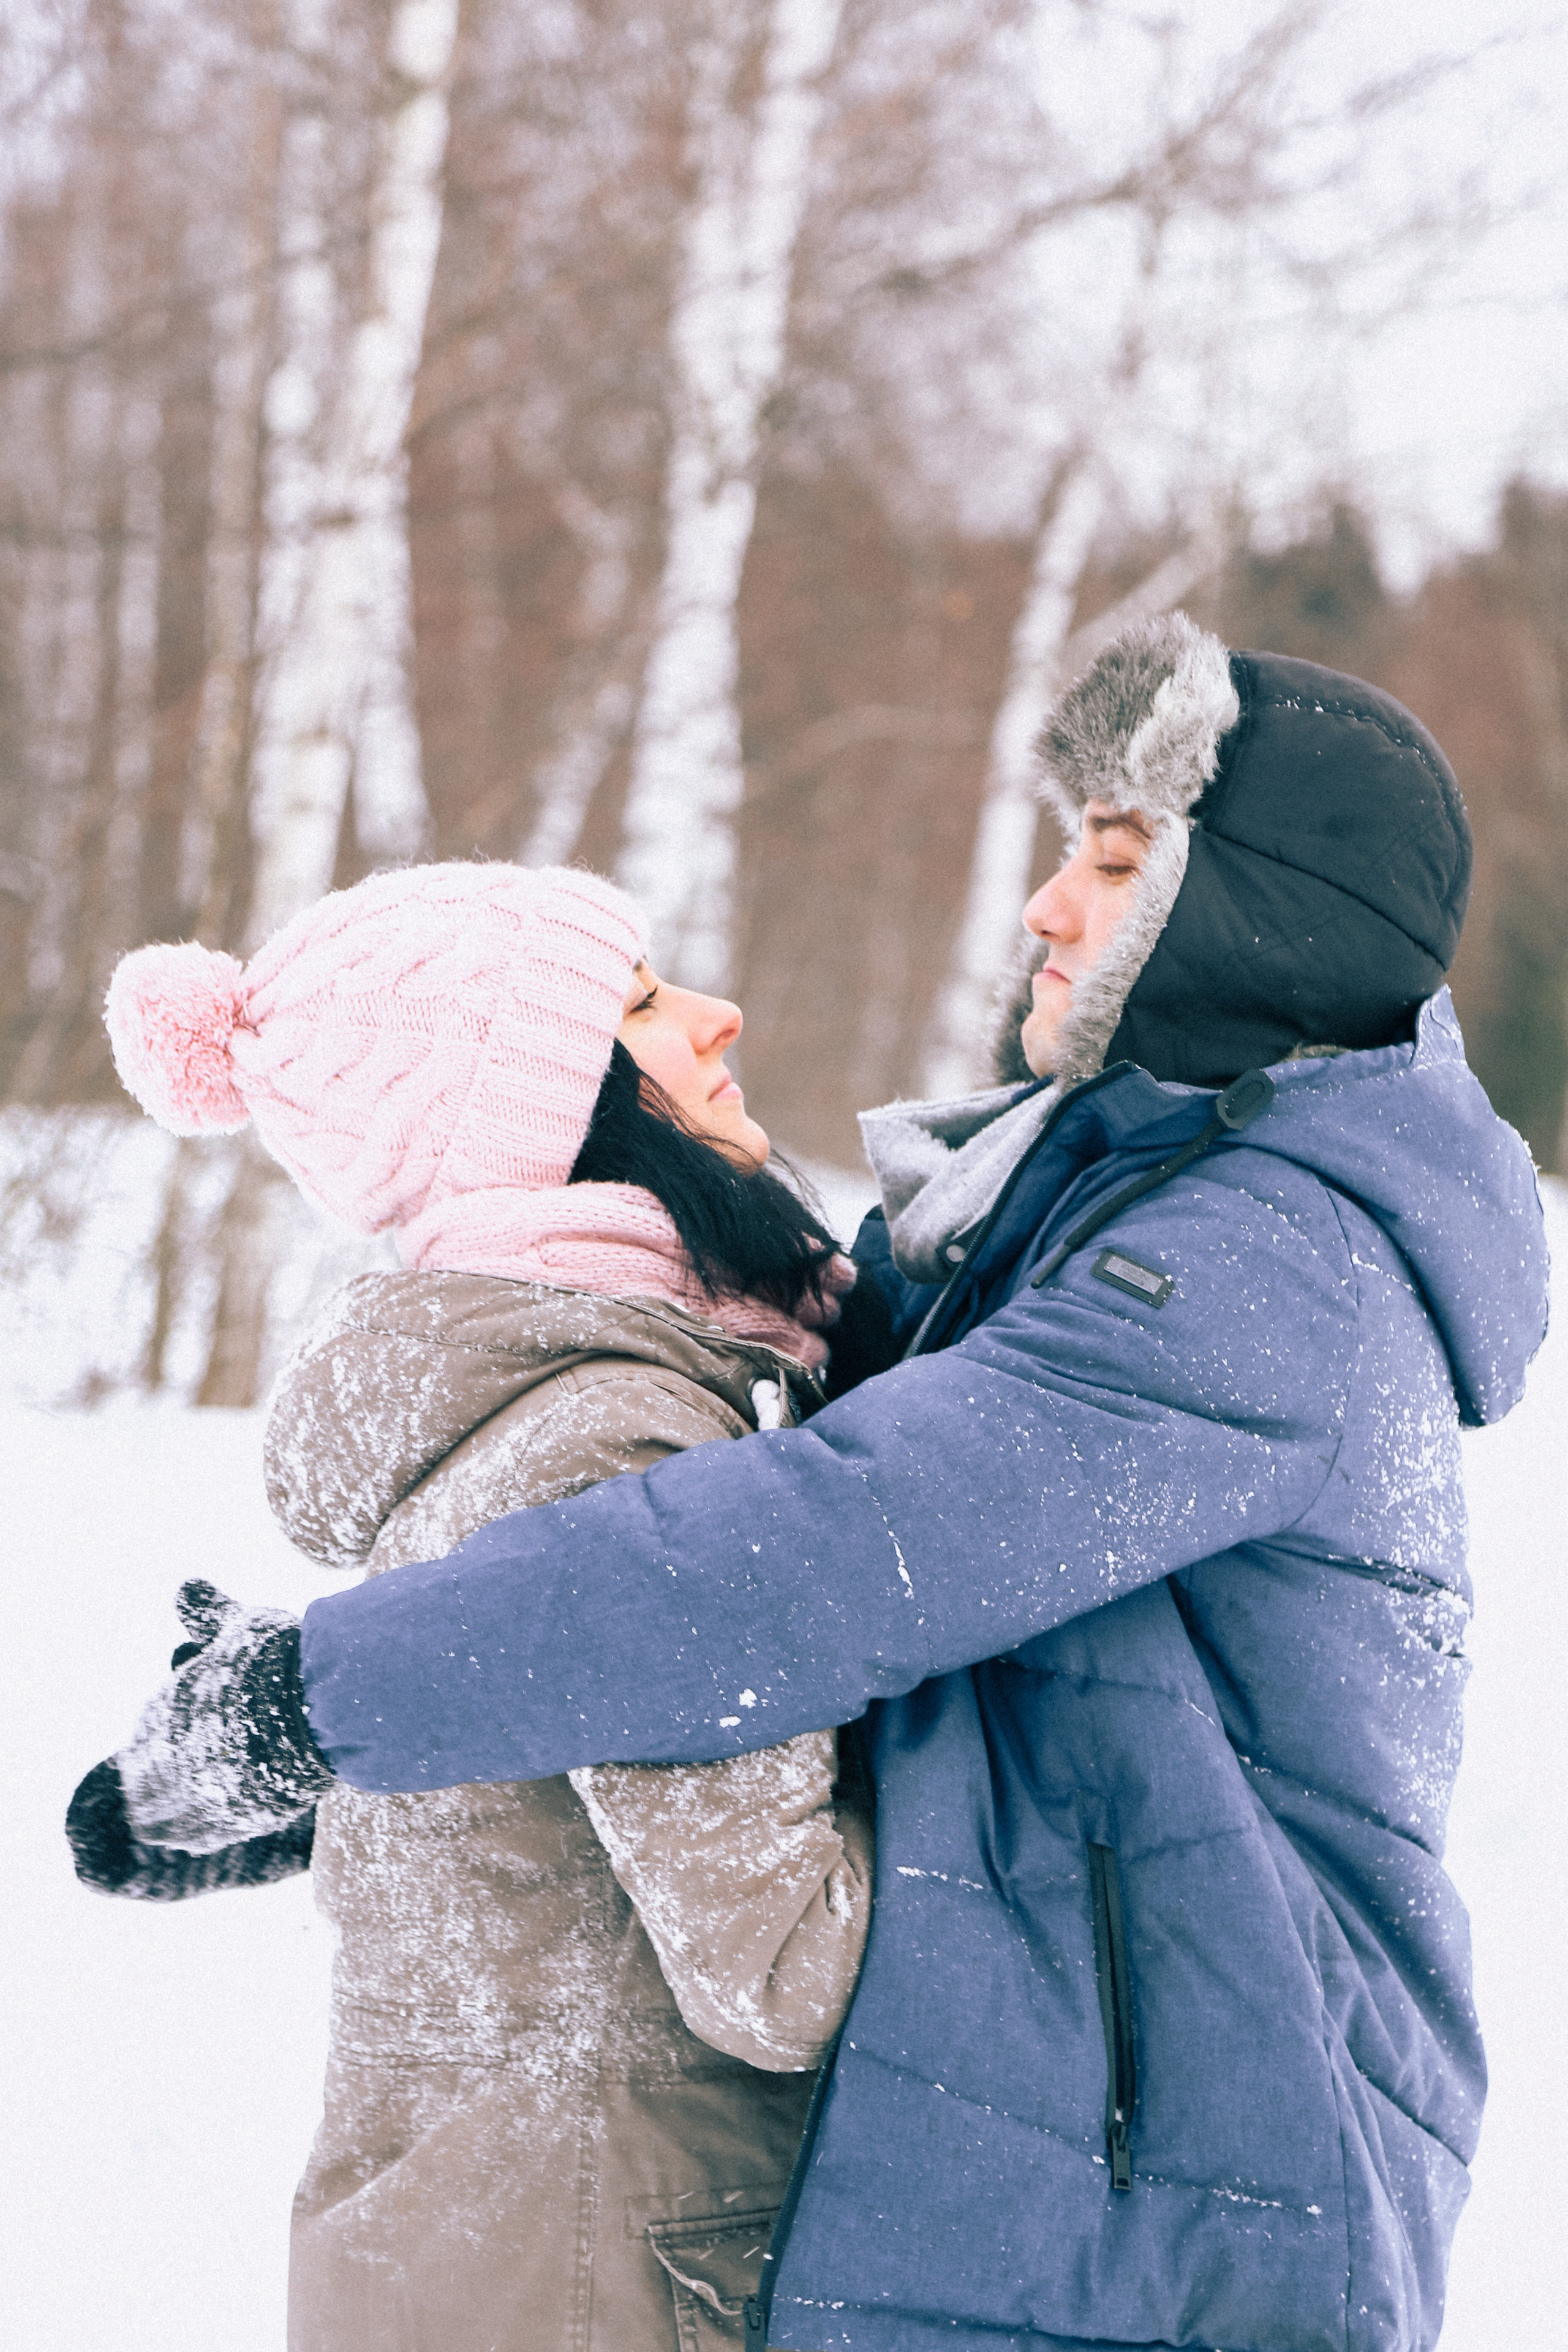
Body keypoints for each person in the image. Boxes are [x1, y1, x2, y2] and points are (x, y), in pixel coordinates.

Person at [93, 615, 1549, 2352]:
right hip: (1123, 2137)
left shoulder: (1266, 1265)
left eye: (1107, 862)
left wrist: (331, 1695)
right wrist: (412, 1737)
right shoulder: (1115, 1203)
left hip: (1221, 2148)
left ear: (1250, 909)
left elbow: (827, 1544)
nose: (1044, 907)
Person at [67, 861, 874, 2351]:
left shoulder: (517, 1416)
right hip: (603, 2283)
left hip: (468, 2267)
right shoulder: (618, 1441)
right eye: (640, 1005)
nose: (716, 1016)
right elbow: (782, 1972)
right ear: (555, 1116)